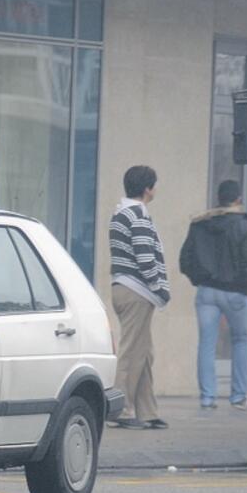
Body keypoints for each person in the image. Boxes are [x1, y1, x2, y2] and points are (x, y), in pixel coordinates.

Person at [179, 179, 247, 411]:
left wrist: (199, 279)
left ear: (219, 198)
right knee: (240, 341)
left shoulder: (200, 224)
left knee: (206, 344)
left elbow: (185, 260)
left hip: (206, 292)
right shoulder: (246, 227)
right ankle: (239, 397)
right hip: (237, 293)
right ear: (238, 199)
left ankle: (208, 397)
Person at [108, 165, 170, 430]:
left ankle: (147, 412)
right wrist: (158, 287)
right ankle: (120, 410)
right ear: (147, 189)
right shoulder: (138, 215)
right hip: (137, 290)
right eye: (154, 185)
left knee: (143, 353)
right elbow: (145, 256)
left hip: (124, 287)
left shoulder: (120, 213)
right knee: (132, 352)